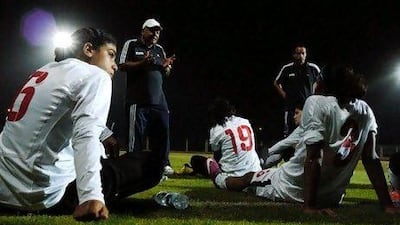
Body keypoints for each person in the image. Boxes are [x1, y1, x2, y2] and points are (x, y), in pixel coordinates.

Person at [0, 28, 164, 221]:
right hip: (40, 196)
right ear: (88, 50)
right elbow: (86, 135)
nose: (115, 65)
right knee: (152, 162)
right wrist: (90, 195)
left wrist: (105, 134)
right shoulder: (95, 75)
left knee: (98, 153)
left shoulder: (44, 70)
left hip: (4, 188)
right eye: (110, 55)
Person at [207, 64, 400, 215]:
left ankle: (220, 178)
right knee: (265, 171)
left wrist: (309, 206)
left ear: (323, 82)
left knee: (250, 178)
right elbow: (371, 159)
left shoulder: (316, 102)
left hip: (293, 188)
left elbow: (314, 157)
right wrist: (387, 205)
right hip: (333, 197)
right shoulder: (365, 109)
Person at [119, 18, 176, 176]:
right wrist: (142, 63)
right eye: (152, 30)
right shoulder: (131, 44)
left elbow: (166, 73)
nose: (155, 33)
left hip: (159, 100)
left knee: (163, 132)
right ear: (143, 30)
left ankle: (163, 164)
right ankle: (133, 165)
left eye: (158, 31)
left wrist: (166, 68)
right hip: (137, 100)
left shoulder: (159, 49)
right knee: (136, 136)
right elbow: (122, 65)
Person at [192, 98, 261, 190]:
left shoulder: (216, 129)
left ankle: (217, 175)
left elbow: (216, 153)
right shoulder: (245, 121)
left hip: (232, 175)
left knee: (196, 160)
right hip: (255, 171)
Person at [274, 45, 320, 138]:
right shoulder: (287, 68)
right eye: (298, 53)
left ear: (306, 54)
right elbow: (276, 82)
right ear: (294, 55)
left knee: (309, 133)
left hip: (307, 106)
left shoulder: (312, 68)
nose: (301, 56)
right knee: (289, 134)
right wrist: (284, 95)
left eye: (303, 53)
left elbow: (321, 80)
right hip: (291, 106)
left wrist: (314, 93)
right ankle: (290, 152)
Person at [260, 101, 304, 169]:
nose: (294, 117)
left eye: (297, 113)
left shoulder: (303, 128)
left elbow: (284, 143)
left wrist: (267, 152)